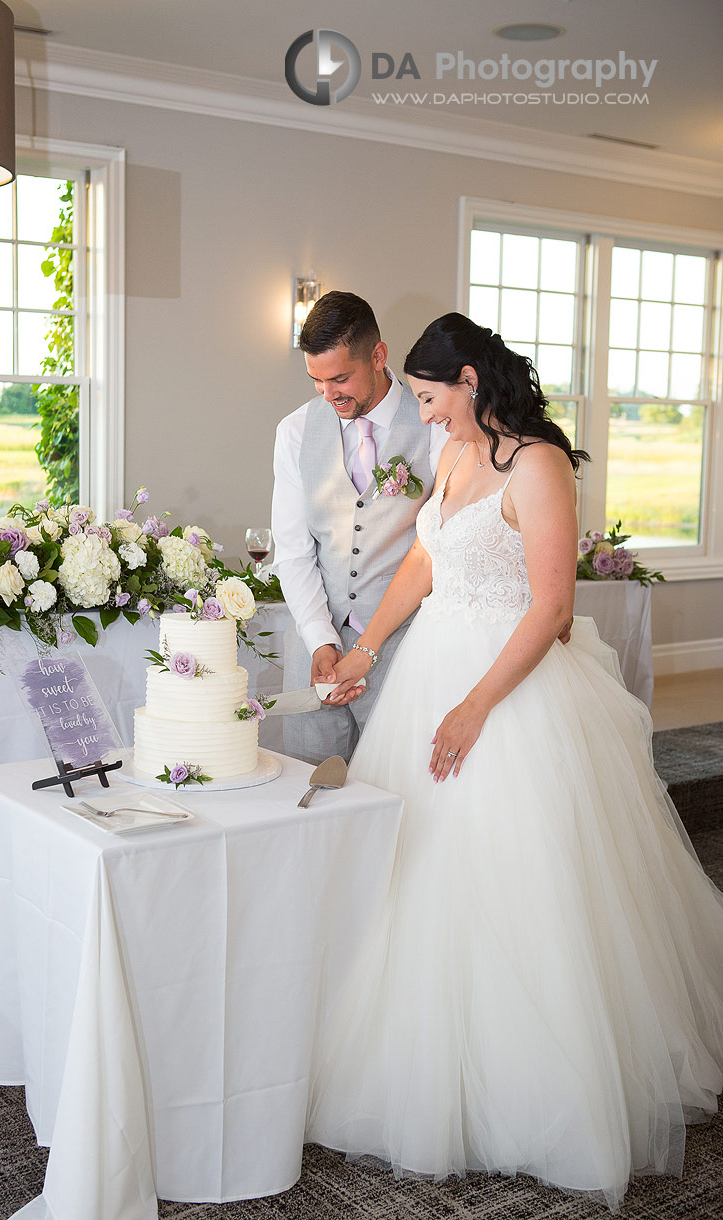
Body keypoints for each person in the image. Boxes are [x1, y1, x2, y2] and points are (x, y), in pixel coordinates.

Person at [305, 313, 723, 1209]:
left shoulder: (536, 464)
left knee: (522, 881)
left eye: (428, 398)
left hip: (509, 685)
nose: (423, 417)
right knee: (415, 872)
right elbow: (424, 560)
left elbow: (550, 607)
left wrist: (474, 706)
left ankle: (539, 1088)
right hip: (430, 671)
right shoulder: (454, 457)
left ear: (467, 380)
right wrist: (364, 650)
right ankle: (420, 1065)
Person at [271, 291, 445, 764]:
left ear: (379, 356)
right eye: (316, 381)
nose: (329, 395)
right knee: (311, 785)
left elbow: (439, 545)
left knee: (399, 787)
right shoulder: (294, 432)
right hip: (315, 650)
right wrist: (320, 640)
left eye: (341, 378)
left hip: (404, 648)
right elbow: (293, 551)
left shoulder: (435, 425)